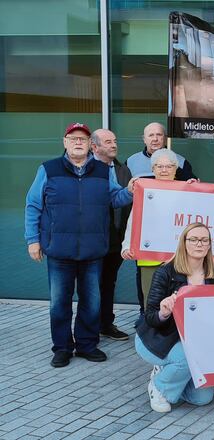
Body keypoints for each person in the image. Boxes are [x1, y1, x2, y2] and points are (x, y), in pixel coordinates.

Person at [25, 122, 135, 368]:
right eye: (73, 138)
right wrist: (33, 240)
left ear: (89, 145)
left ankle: (86, 345)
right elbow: (33, 205)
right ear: (65, 142)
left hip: (93, 250)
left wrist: (130, 191)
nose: (78, 142)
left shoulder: (102, 170)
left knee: (91, 301)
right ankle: (62, 348)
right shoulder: (48, 169)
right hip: (59, 249)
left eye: (82, 139)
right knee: (59, 303)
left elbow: (115, 198)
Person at [134, 222, 214, 413]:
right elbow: (150, 317)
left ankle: (172, 375)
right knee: (186, 359)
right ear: (184, 243)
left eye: (204, 240)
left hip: (191, 340)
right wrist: (164, 312)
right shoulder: (165, 272)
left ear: (210, 245)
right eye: (194, 239)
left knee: (202, 398)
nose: (199, 244)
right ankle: (159, 386)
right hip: (160, 337)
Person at [122, 149, 193, 316]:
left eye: (169, 166)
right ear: (152, 169)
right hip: (149, 257)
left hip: (179, 257)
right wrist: (126, 245)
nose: (164, 170)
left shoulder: (187, 189)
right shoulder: (145, 190)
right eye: (159, 166)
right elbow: (134, 220)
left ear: (176, 169)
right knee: (151, 302)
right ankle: (151, 339)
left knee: (179, 301)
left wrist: (196, 188)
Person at [90, 128, 133, 341]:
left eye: (115, 140)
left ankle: (106, 324)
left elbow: (127, 201)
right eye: (108, 141)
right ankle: (89, 328)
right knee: (92, 284)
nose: (113, 145)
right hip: (95, 237)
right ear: (94, 147)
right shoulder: (87, 170)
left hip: (117, 237)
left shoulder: (123, 169)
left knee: (108, 283)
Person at [126, 122, 196, 180]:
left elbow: (191, 188)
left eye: (159, 135)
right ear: (144, 139)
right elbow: (124, 191)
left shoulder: (181, 162)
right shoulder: (130, 162)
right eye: (151, 135)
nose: (155, 139)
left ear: (165, 138)